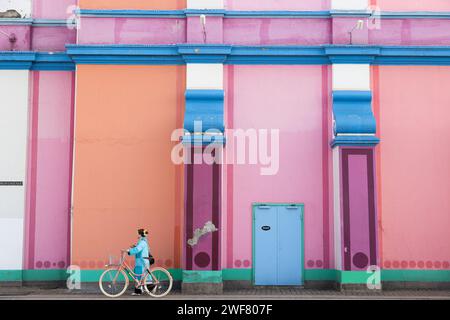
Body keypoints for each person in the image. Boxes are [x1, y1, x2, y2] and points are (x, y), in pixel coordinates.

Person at [127, 228, 150, 295]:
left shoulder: (143, 242)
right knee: (137, 275)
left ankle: (151, 288)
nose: (137, 235)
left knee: (144, 276)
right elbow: (137, 248)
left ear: (140, 234)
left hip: (142, 261)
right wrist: (133, 247)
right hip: (139, 261)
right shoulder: (140, 241)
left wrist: (129, 251)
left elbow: (137, 249)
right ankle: (138, 291)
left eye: (138, 233)